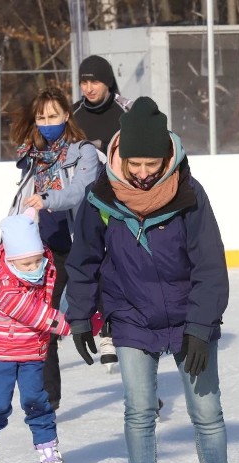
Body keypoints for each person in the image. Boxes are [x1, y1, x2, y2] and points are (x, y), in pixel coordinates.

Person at [65, 97, 239, 463]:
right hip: (130, 313)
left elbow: (210, 264)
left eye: (153, 163)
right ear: (122, 156)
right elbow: (84, 258)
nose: (145, 172)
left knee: (206, 411)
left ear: (167, 158)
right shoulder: (102, 194)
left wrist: (200, 324)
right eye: (136, 163)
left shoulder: (189, 193)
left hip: (188, 313)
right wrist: (79, 315)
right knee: (138, 408)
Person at [0, 208, 71, 463]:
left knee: (37, 400)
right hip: (1, 353)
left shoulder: (45, 266)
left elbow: (59, 292)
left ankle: (48, 448)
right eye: (26, 264)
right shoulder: (6, 287)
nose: (34, 267)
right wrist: (70, 324)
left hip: (32, 352)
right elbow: (35, 313)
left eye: (37, 260)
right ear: (11, 261)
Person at [11, 87, 101, 410]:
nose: (48, 122)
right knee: (44, 321)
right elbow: (21, 202)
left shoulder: (84, 153)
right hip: (49, 251)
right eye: (42, 117)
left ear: (66, 116)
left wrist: (48, 199)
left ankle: (148, 396)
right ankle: (50, 396)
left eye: (53, 115)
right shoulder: (31, 158)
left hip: (86, 246)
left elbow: (77, 193)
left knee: (113, 320)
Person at [72, 54, 134, 371]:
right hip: (86, 205)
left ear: (108, 82)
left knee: (120, 265)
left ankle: (111, 330)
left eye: (94, 80)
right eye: (84, 81)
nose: (89, 87)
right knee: (92, 265)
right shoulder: (73, 115)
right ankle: (101, 323)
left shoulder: (127, 111)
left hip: (122, 203)